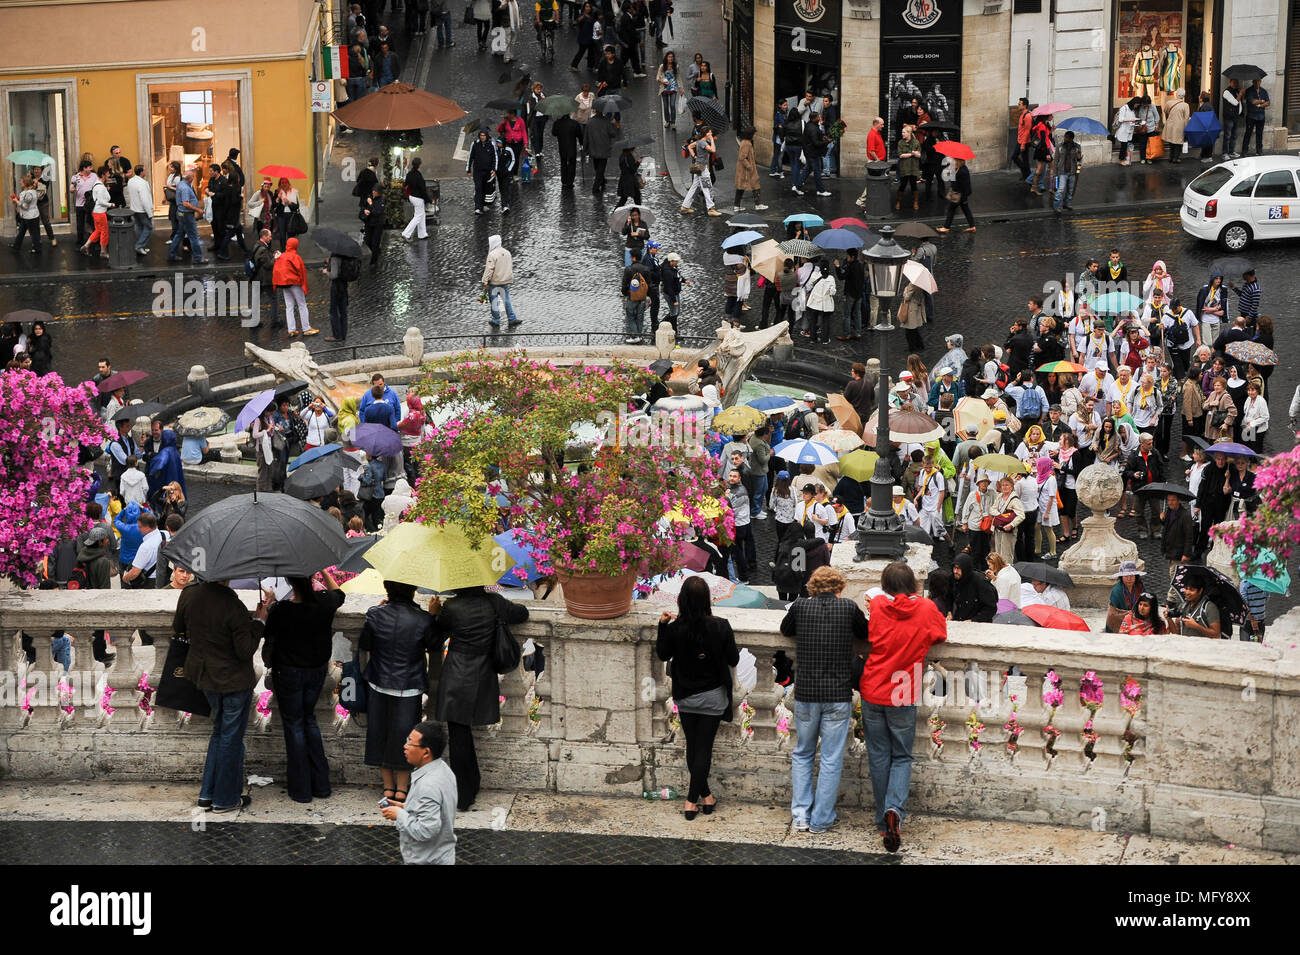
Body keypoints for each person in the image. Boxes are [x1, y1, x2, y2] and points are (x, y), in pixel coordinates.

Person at [860, 561, 946, 853]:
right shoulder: (925, 608)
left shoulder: (880, 606)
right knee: (902, 756)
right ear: (913, 585)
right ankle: (894, 810)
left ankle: (884, 819)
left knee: (879, 756)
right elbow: (940, 635)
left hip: (873, 687)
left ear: (885, 585)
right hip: (903, 690)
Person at [779, 566, 867, 833]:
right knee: (831, 758)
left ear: (813, 587)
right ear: (839, 587)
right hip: (837, 693)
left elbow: (785, 630)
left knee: (803, 753)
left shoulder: (800, 606)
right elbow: (865, 634)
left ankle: (800, 816)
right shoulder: (849, 608)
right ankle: (821, 819)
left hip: (806, 692)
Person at [175, 577, 271, 813]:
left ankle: (208, 794)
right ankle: (225, 799)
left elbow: (179, 627)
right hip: (232, 680)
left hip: (205, 676)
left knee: (220, 732)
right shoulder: (232, 605)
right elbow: (245, 649)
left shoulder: (189, 594)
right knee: (230, 738)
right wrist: (259, 621)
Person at [433, 583, 529, 811]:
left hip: (456, 671)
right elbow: (522, 613)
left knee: (458, 734)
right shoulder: (494, 602)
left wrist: (435, 613)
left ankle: (464, 792)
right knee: (464, 732)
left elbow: (437, 632)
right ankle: (471, 785)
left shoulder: (452, 607)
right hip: (483, 672)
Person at [655, 576, 739, 819]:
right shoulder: (721, 625)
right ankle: (695, 798)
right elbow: (733, 659)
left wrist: (662, 625)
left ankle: (703, 797)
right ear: (706, 600)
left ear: (682, 600)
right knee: (703, 750)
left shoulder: (675, 628)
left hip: (686, 695)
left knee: (694, 748)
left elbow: (662, 654)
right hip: (713, 696)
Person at [261, 572, 343, 802]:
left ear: (289, 583)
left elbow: (267, 633)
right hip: (315, 671)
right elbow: (339, 593)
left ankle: (301, 789)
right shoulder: (324, 603)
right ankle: (321, 784)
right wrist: (324, 571)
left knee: (295, 725)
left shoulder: (282, 611)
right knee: (309, 720)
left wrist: (269, 604)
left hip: (288, 672)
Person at [358, 580, 440, 807]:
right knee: (406, 738)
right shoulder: (423, 618)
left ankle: (388, 787)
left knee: (379, 734)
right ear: (413, 590)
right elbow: (434, 645)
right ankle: (402, 789)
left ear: (387, 589)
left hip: (379, 682)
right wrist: (433, 616)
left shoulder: (375, 614)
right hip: (409, 685)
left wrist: (377, 612)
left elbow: (366, 643)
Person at [380, 721, 458, 864]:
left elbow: (426, 830)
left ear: (426, 752)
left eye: (410, 743)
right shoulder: (443, 769)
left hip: (427, 859)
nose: (405, 746)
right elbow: (435, 808)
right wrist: (405, 806)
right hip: (442, 854)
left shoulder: (428, 785)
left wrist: (399, 815)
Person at [272, 237, 315, 336]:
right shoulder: (295, 257)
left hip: (284, 285)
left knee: (289, 307)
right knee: (302, 305)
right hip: (295, 284)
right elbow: (301, 271)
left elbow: (276, 271)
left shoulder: (281, 256)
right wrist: (303, 284)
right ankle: (306, 328)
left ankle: (291, 329)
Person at [1165, 569, 1223, 638]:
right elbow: (1177, 633)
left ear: (1200, 591)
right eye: (1186, 588)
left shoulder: (1209, 607)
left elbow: (1216, 635)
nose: (1187, 592)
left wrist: (1196, 626)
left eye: (1192, 590)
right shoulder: (1183, 606)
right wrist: (1169, 619)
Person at [482, 234, 522, 328]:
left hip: (494, 282)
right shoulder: (507, 252)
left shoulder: (492, 254)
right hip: (504, 282)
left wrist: (485, 281)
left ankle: (496, 320)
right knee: (506, 301)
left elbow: (489, 269)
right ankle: (512, 318)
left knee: (494, 301)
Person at [680, 125, 720, 216]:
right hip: (702, 168)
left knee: (694, 187)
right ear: (706, 134)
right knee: (707, 187)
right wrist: (712, 140)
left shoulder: (699, 141)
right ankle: (711, 208)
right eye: (709, 132)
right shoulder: (703, 143)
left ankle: (685, 207)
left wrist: (694, 156)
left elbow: (690, 146)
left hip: (699, 167)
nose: (711, 133)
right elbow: (713, 150)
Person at [950, 552, 997, 621]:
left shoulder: (980, 582)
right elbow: (948, 598)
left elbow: (991, 608)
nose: (955, 571)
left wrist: (974, 620)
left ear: (965, 569)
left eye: (958, 568)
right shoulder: (953, 579)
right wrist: (949, 612)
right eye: (954, 568)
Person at [935, 157, 974, 233]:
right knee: (966, 210)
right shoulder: (959, 168)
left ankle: (946, 227)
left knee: (951, 209)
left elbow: (961, 185)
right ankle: (972, 226)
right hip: (961, 194)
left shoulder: (962, 171)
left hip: (959, 194)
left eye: (954, 160)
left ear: (958, 161)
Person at [1051, 130, 1082, 213]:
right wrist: (1054, 173)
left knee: (1070, 190)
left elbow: (1078, 160)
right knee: (1060, 189)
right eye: (1065, 137)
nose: (1065, 139)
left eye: (1067, 138)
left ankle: (1067, 204)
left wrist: (1079, 157)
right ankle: (1056, 206)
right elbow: (1056, 160)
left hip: (1072, 171)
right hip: (1062, 172)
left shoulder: (1077, 147)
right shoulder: (1059, 146)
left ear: (1071, 139)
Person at [401, 157, 430, 241]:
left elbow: (406, 184)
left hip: (411, 196)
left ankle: (422, 233)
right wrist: (428, 199)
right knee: (418, 216)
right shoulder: (418, 175)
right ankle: (406, 233)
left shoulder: (409, 174)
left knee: (421, 214)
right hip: (418, 198)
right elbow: (422, 190)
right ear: (419, 165)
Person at [894, 124, 921, 212]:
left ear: (909, 133)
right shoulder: (900, 143)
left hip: (913, 167)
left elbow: (919, 155)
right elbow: (901, 155)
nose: (902, 134)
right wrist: (912, 154)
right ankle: (898, 201)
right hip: (904, 168)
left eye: (904, 132)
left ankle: (916, 202)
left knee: (914, 186)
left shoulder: (916, 142)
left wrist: (915, 154)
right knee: (903, 185)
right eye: (902, 132)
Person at [1240, 77, 1269, 157]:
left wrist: (1260, 105)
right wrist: (1262, 101)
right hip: (1251, 116)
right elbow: (1253, 101)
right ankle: (1244, 151)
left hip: (1261, 116)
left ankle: (1259, 151)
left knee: (1259, 134)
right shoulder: (1249, 91)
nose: (1257, 83)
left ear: (1260, 82)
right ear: (1253, 82)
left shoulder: (1263, 91)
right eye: (1255, 82)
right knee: (1248, 133)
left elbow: (1268, 103)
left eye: (1258, 82)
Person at [1164, 89, 1190, 163]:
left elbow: (1165, 111)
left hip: (1170, 124)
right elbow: (1186, 118)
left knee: (1171, 142)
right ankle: (1176, 158)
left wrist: (1167, 120)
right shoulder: (1185, 105)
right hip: (1179, 126)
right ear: (1184, 96)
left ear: (1176, 94)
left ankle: (1171, 157)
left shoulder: (1169, 103)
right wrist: (1186, 128)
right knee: (1178, 143)